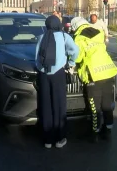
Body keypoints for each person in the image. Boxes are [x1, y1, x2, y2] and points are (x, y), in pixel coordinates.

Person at [70, 17, 117, 142]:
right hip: (108, 72)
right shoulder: (98, 32)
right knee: (107, 105)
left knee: (95, 108)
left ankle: (94, 133)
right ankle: (107, 130)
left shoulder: (79, 38)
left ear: (75, 27)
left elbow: (78, 58)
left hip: (94, 76)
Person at [35, 15, 79, 149]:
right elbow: (75, 51)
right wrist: (70, 63)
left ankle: (48, 140)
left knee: (46, 105)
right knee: (59, 105)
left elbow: (36, 57)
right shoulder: (64, 37)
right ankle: (60, 138)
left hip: (43, 74)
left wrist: (42, 69)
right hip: (58, 74)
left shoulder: (41, 37)